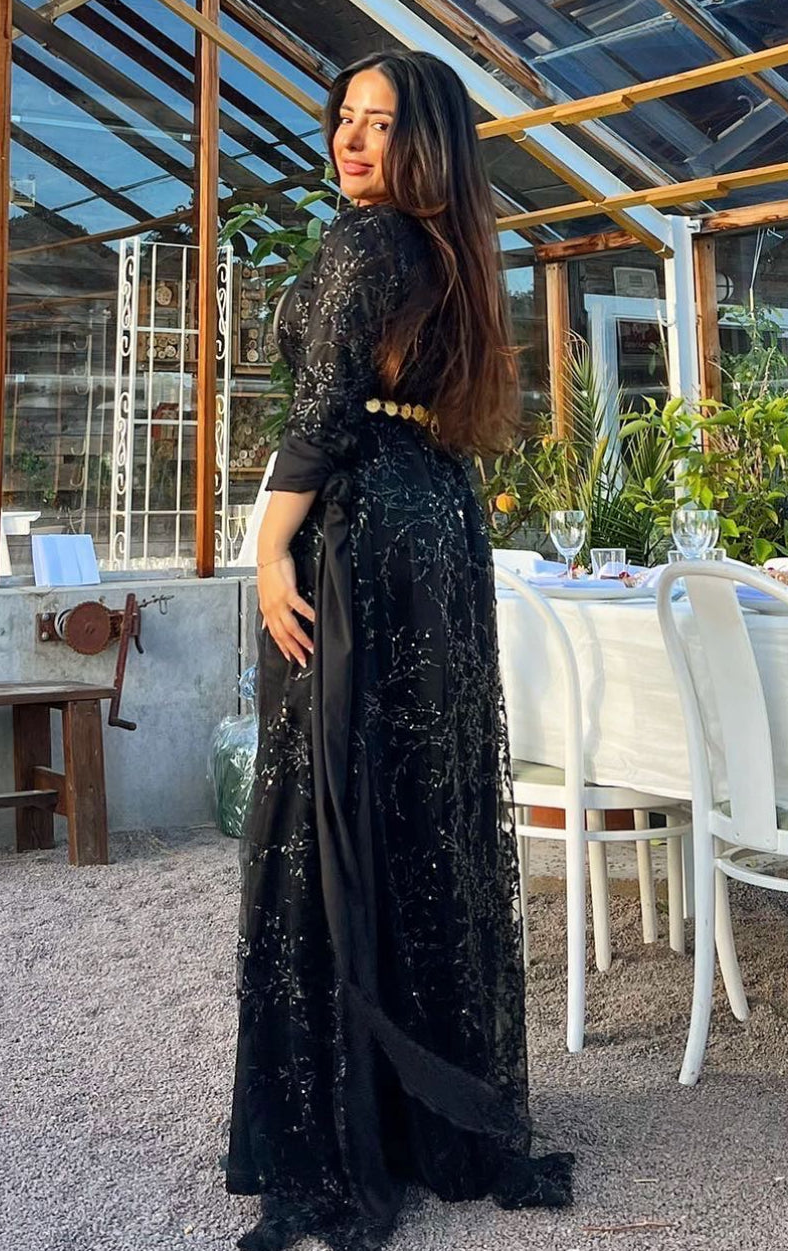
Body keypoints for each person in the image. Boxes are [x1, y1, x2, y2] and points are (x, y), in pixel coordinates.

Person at [226, 49, 573, 1251]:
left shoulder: (370, 241)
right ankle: (421, 1111)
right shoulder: (451, 251)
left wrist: (268, 548)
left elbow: (322, 406)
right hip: (436, 529)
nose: (351, 139)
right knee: (421, 811)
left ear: (423, 142)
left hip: (364, 534)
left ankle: (340, 1123)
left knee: (330, 808)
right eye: (345, 118)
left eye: (378, 124)